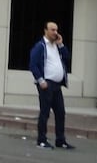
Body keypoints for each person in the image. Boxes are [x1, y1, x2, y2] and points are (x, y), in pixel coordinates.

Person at [29, 21, 75, 149]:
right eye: (52, 30)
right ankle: (41, 140)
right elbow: (33, 64)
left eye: (56, 30)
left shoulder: (56, 46)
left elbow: (67, 57)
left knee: (60, 112)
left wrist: (61, 45)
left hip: (57, 84)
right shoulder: (40, 46)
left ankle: (60, 140)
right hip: (46, 84)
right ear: (45, 30)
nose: (55, 32)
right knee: (45, 112)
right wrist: (41, 80)